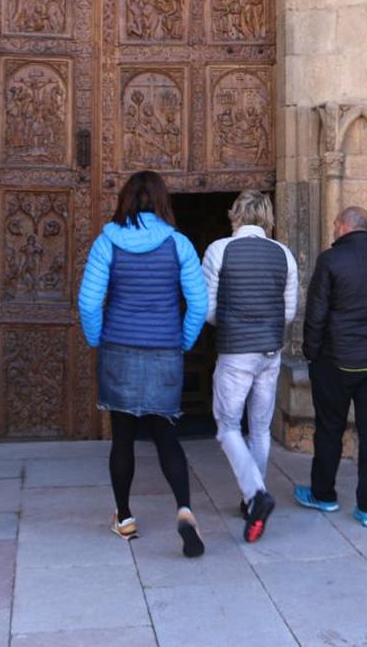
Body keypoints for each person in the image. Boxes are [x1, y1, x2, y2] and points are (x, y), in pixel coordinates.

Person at [77, 171, 208, 557]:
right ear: (163, 200)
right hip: (164, 351)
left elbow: (88, 302)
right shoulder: (179, 244)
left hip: (119, 348)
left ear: (126, 200)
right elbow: (198, 304)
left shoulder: (107, 243)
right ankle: (184, 509)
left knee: (123, 438)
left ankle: (125, 517)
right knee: (166, 437)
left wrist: (97, 339)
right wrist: (181, 341)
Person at [294, 206, 367, 528]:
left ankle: (324, 494)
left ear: (344, 227)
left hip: (334, 361)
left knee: (329, 428)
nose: (333, 229)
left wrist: (312, 353)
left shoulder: (331, 261)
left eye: (335, 224)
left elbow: (316, 314)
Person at [201, 190, 299, 543]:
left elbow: (207, 308)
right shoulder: (284, 254)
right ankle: (251, 499)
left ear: (236, 215)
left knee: (227, 426)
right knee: (259, 428)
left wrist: (233, 323)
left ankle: (256, 495)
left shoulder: (219, 250)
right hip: (270, 351)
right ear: (268, 217)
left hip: (236, 351)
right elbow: (288, 312)